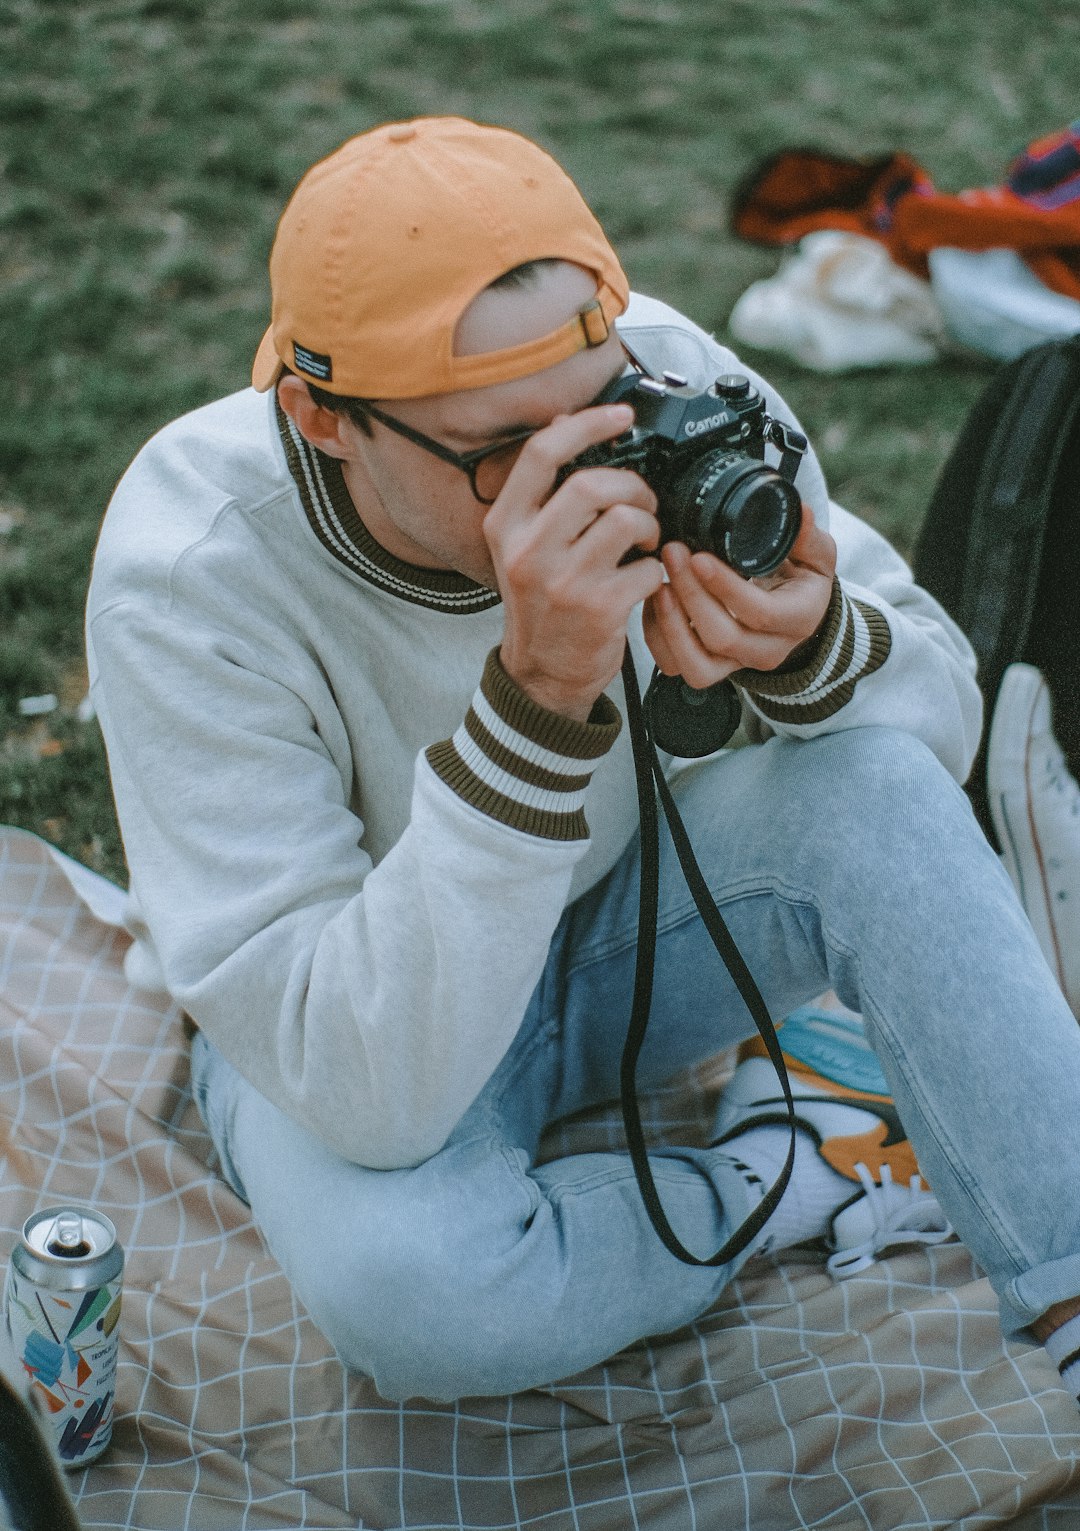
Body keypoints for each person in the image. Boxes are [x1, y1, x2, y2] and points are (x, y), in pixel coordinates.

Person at [86, 116, 1080, 1406]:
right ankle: (770, 1174)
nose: (588, 476)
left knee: (873, 783)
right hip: (359, 1006)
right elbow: (363, 1090)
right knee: (418, 1305)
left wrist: (813, 646)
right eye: (509, 454)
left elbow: (939, 720)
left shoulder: (674, 384)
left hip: (626, 930)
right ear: (322, 418)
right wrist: (538, 702)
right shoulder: (193, 565)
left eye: (601, 410)